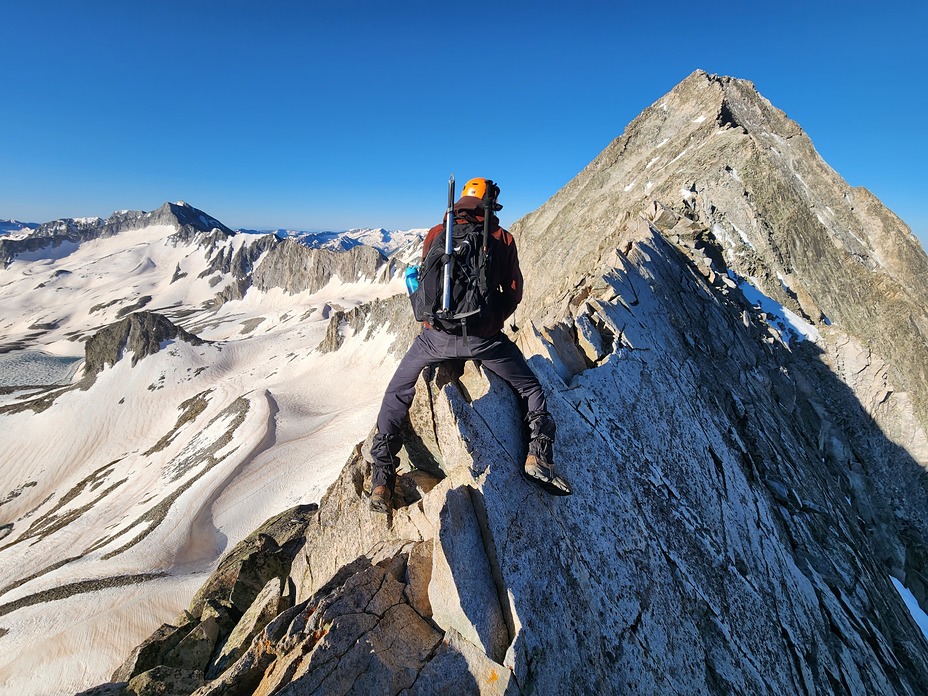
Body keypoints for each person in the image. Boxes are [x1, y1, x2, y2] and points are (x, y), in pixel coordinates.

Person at [369, 177, 571, 513]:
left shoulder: (438, 232)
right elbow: (514, 293)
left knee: (397, 393)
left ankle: (382, 478)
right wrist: (490, 322)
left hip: (435, 338)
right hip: (484, 341)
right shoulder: (502, 238)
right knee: (531, 388)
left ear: (463, 199)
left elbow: (428, 289)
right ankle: (538, 454)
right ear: (491, 202)